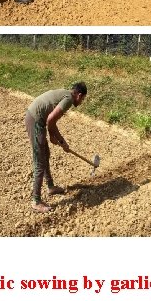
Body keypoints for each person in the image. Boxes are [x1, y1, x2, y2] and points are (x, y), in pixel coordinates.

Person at [24, 82, 88, 212]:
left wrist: (58, 138)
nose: (81, 102)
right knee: (40, 162)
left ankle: (51, 187)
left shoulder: (66, 94)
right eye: (82, 99)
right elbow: (50, 120)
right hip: (35, 121)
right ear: (79, 95)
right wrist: (56, 138)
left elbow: (51, 121)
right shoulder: (69, 99)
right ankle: (36, 201)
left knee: (46, 154)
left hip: (37, 120)